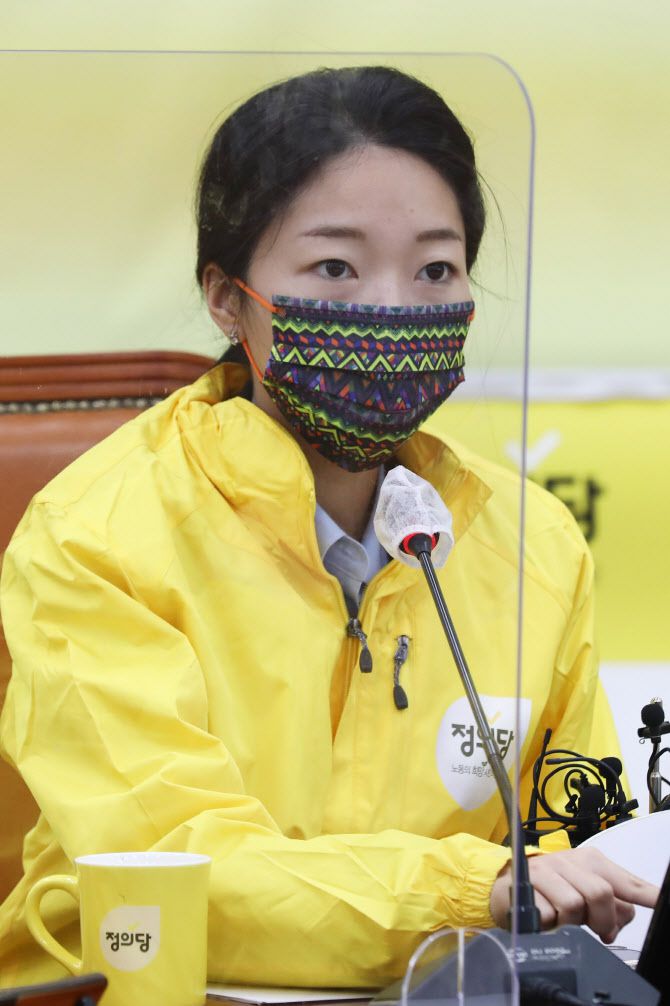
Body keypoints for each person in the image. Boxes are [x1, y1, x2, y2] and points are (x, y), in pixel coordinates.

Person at [0, 65, 657, 989]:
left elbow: (577, 839)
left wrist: (576, 890)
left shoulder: (534, 541)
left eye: (435, 270)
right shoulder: (94, 537)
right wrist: (475, 890)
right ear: (227, 297)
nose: (391, 309)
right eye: (336, 268)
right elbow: (172, 874)